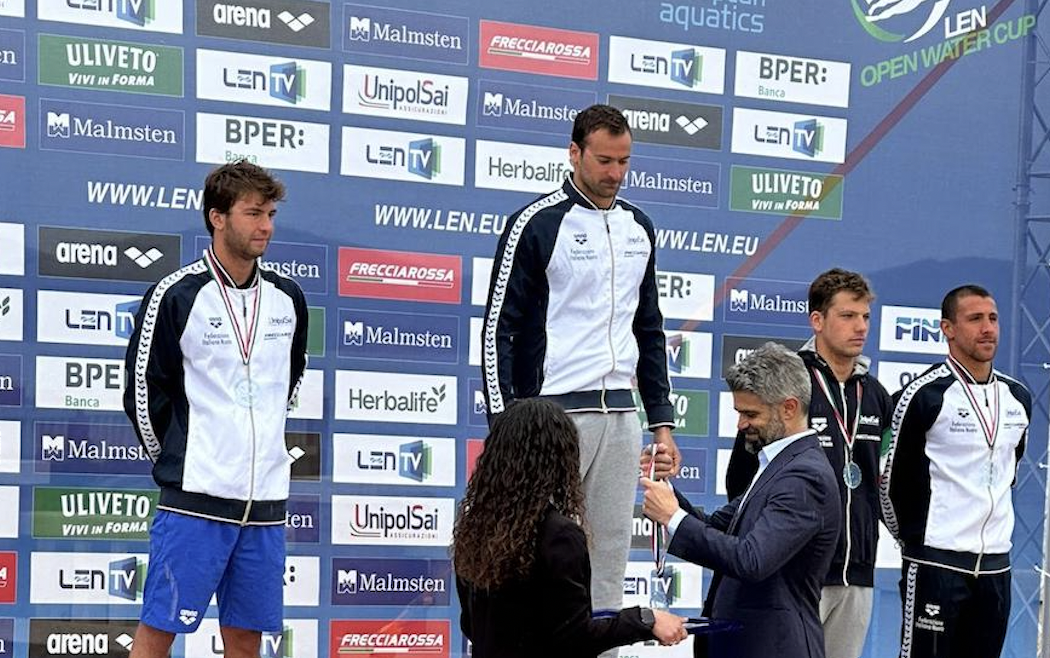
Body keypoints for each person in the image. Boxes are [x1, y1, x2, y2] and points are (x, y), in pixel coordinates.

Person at [481, 103, 681, 627]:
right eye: (603, 160)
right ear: (574, 153)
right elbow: (499, 329)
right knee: (540, 557)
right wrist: (506, 430)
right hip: (552, 419)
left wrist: (661, 421)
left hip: (620, 415)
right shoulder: (537, 223)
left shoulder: (639, 226)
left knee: (609, 559)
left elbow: (650, 328)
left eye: (624, 161)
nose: (614, 173)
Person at [123, 160, 308, 658]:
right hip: (195, 501)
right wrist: (184, 462)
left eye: (270, 213)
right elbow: (143, 391)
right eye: (253, 213)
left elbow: (288, 380)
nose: (265, 226)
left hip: (265, 505)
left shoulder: (288, 297)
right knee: (159, 632)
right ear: (217, 218)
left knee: (247, 639)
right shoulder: (178, 295)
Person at [722, 268, 892, 658]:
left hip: (856, 572)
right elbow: (741, 478)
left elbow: (878, 480)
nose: (860, 326)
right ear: (817, 320)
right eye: (848, 316)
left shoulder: (875, 394)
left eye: (865, 316)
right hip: (794, 574)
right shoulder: (786, 384)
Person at [641, 342, 841, 658]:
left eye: (750, 414)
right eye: (739, 412)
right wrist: (665, 489)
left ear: (789, 408)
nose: (741, 424)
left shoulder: (806, 477)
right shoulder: (777, 464)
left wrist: (673, 518)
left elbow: (751, 560)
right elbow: (720, 527)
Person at [454, 398, 687, 658]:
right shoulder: (559, 535)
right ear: (561, 458)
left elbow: (469, 623)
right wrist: (646, 620)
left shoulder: (475, 525)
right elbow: (575, 638)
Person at [880, 285, 1030, 658]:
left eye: (993, 319)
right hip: (936, 564)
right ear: (947, 328)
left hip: (996, 567)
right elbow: (888, 482)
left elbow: (1008, 472)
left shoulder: (1017, 398)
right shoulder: (923, 395)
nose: (987, 329)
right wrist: (915, 542)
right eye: (975, 319)